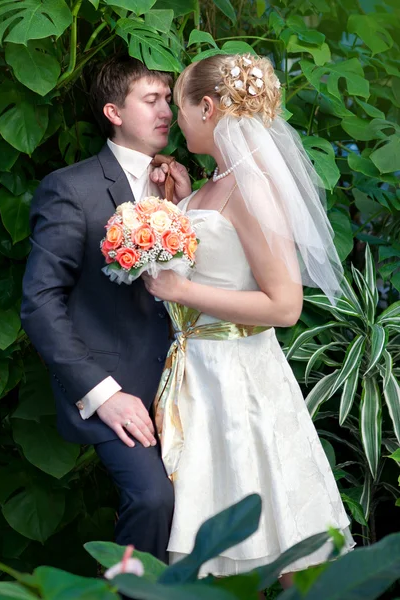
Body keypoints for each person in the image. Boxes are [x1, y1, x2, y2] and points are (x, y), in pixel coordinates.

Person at [144, 53, 355, 590]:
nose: (175, 118)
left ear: (207, 107)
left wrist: (181, 289)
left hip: (239, 379)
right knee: (209, 540)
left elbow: (284, 306)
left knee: (281, 533)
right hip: (200, 378)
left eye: (180, 105)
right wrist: (180, 203)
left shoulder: (251, 185)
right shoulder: (215, 183)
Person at [20, 55, 189, 562]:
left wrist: (183, 207)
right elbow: (39, 302)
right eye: (151, 99)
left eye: (169, 100)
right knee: (154, 499)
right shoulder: (72, 188)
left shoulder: (182, 180)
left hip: (190, 381)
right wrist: (103, 394)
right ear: (114, 112)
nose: (167, 112)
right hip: (116, 387)